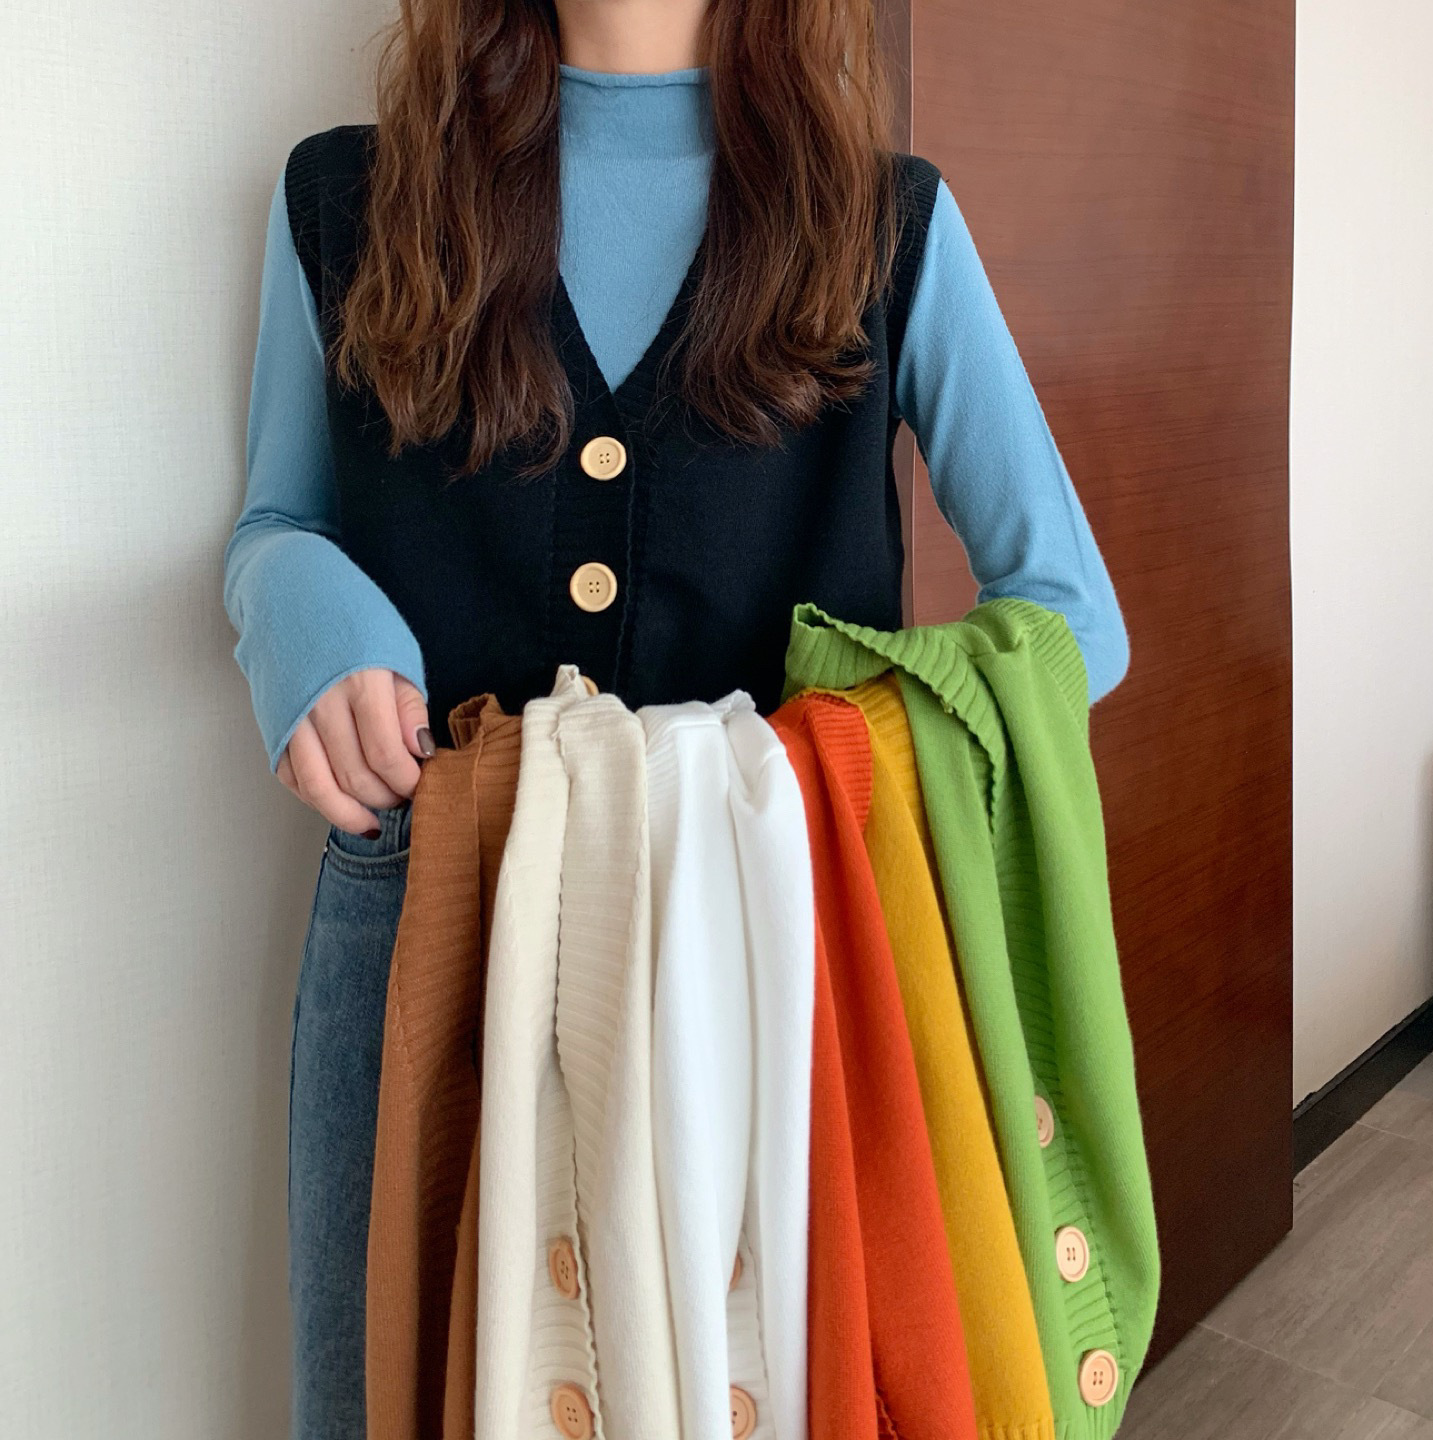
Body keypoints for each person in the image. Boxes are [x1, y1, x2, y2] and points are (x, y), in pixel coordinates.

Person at [223, 0, 1130, 1434]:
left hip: (769, 964)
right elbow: (277, 521)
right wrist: (296, 604)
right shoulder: (345, 203)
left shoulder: (884, 228)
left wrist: (816, 764)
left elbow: (1072, 621)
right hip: (429, 946)